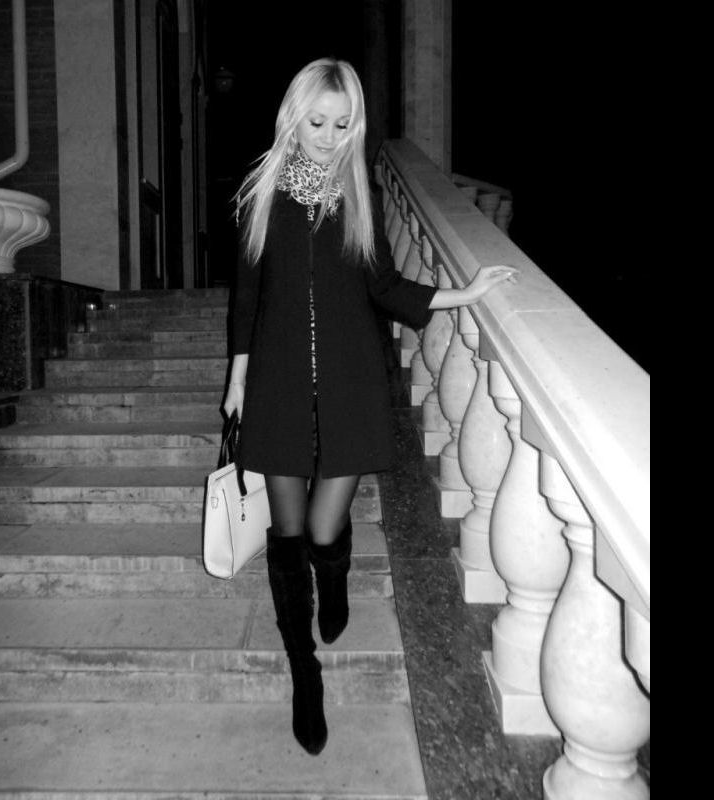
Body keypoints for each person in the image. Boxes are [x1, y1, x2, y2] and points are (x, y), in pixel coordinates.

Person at [222, 57, 517, 756]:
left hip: (349, 384)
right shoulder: (262, 195)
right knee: (288, 533)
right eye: (317, 122)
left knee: (326, 532)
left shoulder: (358, 197)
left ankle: (336, 577)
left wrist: (463, 293)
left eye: (341, 125)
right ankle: (305, 672)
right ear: (294, 119)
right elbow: (247, 296)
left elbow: (383, 284)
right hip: (278, 386)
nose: (328, 137)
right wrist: (237, 377)